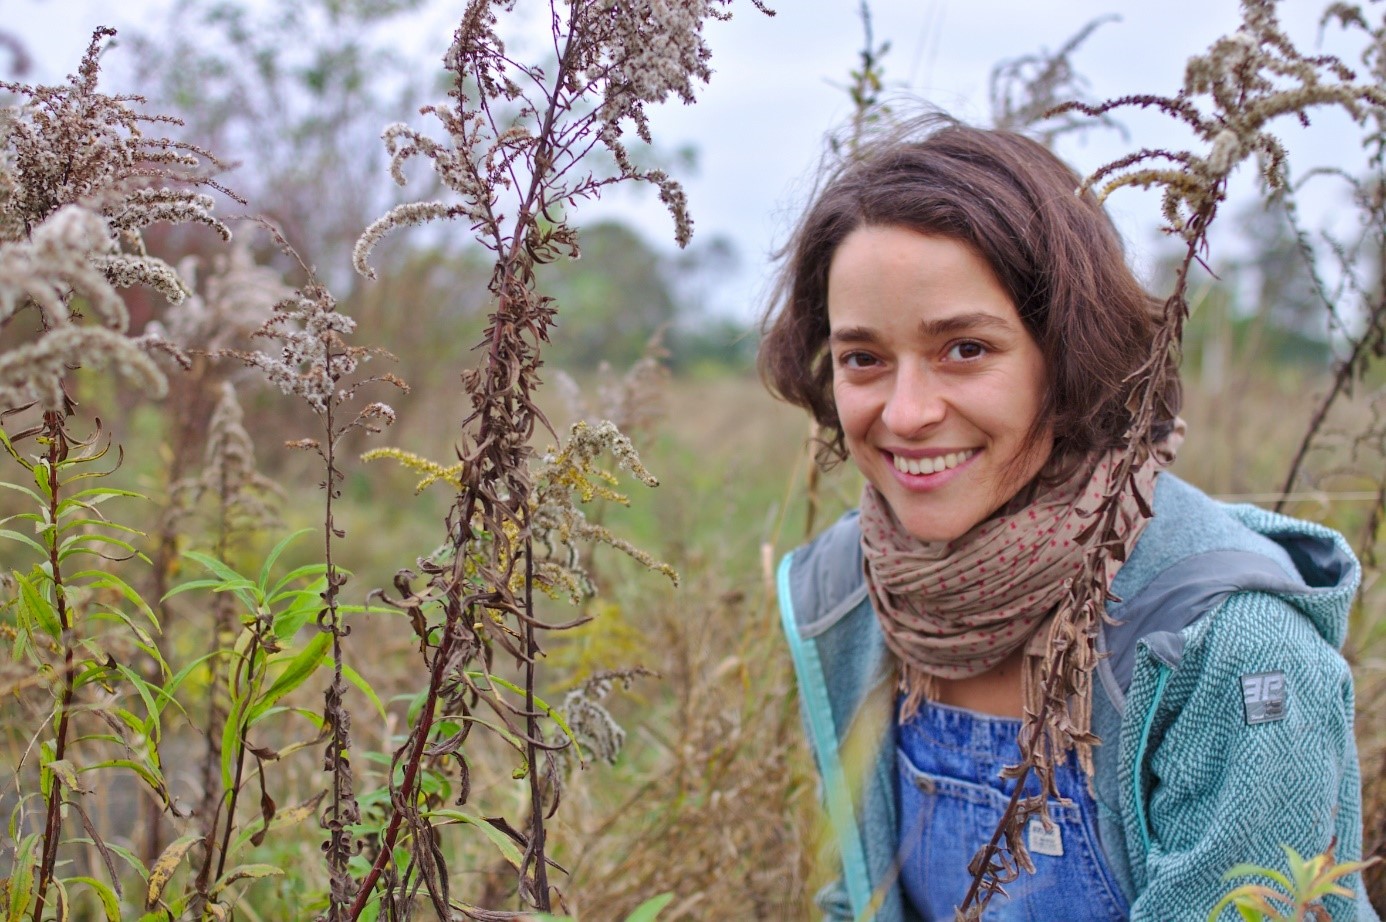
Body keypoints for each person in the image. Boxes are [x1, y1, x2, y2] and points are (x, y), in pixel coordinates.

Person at [759, 116, 1375, 921]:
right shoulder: (845, 593)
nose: (905, 414)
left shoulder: (1233, 649)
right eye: (863, 359)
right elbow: (860, 896)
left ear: (1069, 353)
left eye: (965, 349)